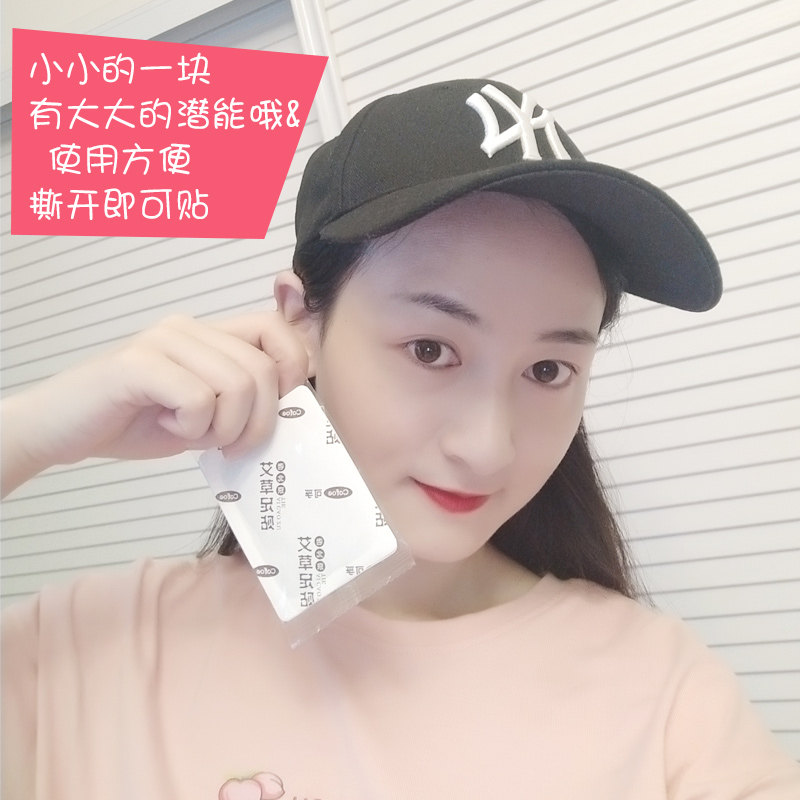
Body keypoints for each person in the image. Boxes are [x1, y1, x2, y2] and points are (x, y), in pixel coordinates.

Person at [2, 79, 798, 799]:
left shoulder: (664, 691)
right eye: (430, 350)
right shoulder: (98, 650)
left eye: (548, 369)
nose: (487, 449)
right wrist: (33, 429)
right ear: (300, 323)